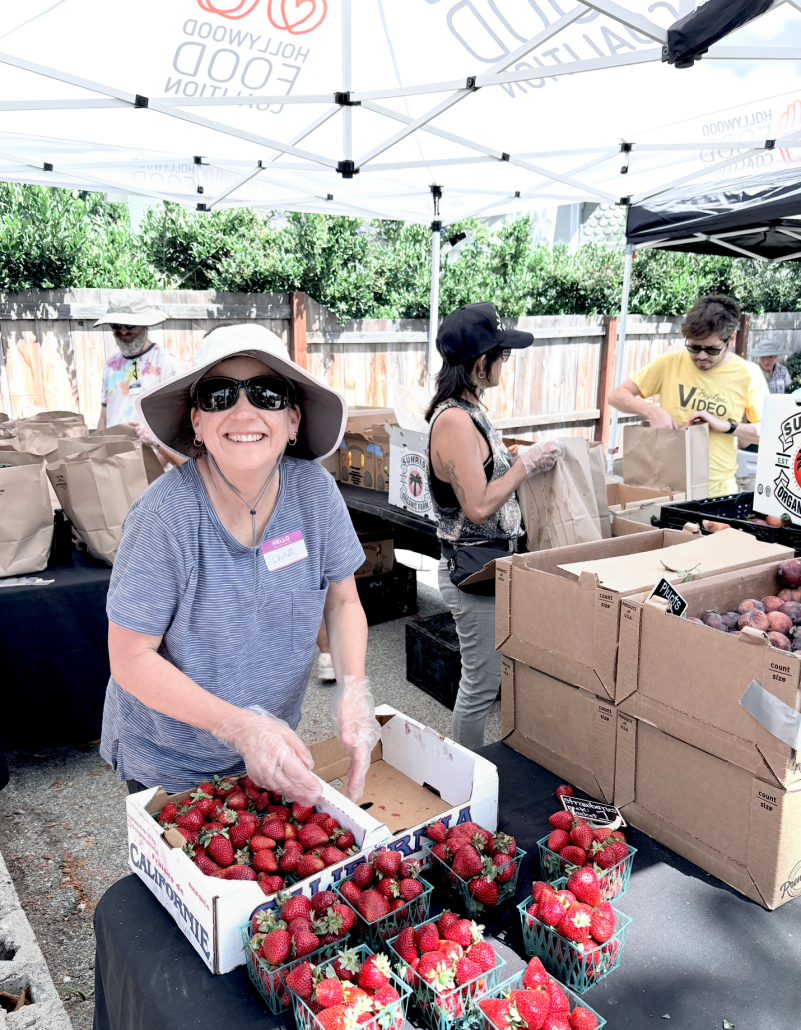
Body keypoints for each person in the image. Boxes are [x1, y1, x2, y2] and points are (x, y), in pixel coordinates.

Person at [100, 323, 381, 804]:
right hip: (172, 760)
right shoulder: (163, 516)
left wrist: (354, 686)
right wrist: (239, 726)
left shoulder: (316, 493)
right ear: (197, 422)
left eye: (267, 393)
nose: (244, 410)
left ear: (293, 421)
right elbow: (130, 659)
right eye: (219, 395)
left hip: (274, 745)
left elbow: (341, 600)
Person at [426, 303, 564, 750]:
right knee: (481, 685)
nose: (507, 362)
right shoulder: (453, 421)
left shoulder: (470, 411)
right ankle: (464, 784)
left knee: (490, 678)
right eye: (503, 354)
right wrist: (526, 464)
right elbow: (480, 506)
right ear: (479, 362)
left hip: (493, 566)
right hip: (473, 572)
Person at [608, 294, 767, 497]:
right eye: (693, 347)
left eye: (711, 349)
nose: (701, 355)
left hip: (717, 494)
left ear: (731, 339)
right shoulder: (670, 362)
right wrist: (651, 410)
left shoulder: (748, 374)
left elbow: (767, 434)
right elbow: (616, 396)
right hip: (666, 489)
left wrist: (726, 426)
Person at [94, 291, 184, 431]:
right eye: (116, 325)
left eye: (130, 325)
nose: (123, 332)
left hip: (153, 452)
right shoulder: (110, 366)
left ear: (144, 325)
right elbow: (104, 418)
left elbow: (181, 420)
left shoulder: (167, 364)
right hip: (115, 451)